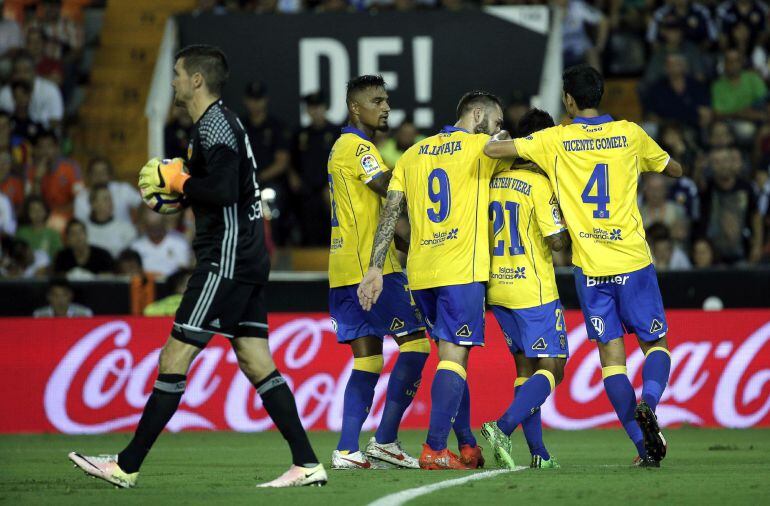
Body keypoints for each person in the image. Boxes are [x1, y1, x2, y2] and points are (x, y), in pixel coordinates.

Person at [68, 44, 325, 489]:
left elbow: (223, 189)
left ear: (197, 81)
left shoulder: (215, 127)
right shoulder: (215, 124)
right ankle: (307, 463)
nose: (172, 82)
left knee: (174, 355)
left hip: (225, 258)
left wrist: (177, 181)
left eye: (177, 74)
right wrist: (184, 190)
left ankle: (126, 465)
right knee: (255, 359)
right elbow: (218, 188)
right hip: (244, 255)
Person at [484, 64, 684, 467]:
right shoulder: (630, 133)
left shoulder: (554, 139)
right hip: (633, 260)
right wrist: (649, 164)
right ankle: (650, 403)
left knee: (612, 361)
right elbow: (674, 169)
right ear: (601, 95)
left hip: (590, 270)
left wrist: (506, 138)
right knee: (655, 345)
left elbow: (493, 151)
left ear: (568, 100)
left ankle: (642, 447)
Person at [358, 90, 507, 470]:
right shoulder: (480, 147)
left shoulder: (413, 154)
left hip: (421, 273)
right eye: (497, 121)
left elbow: (391, 211)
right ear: (477, 115)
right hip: (461, 269)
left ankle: (467, 443)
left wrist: (376, 267)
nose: (499, 128)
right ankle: (435, 449)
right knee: (456, 358)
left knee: (449, 360)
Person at [327, 76, 431, 471]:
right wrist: (422, 168)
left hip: (342, 268)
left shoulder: (344, 147)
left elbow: (375, 213)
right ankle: (385, 439)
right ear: (355, 108)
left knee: (368, 360)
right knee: (417, 345)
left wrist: (409, 246)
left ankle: (348, 449)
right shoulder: (357, 147)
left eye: (387, 99)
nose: (385, 107)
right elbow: (389, 187)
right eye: (376, 100)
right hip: (372, 269)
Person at [480, 109, 570, 470]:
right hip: (533, 289)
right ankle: (501, 427)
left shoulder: (494, 179)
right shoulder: (538, 184)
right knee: (554, 367)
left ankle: (540, 453)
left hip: (497, 290)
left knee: (525, 369)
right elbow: (557, 242)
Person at [290, 91, 338, 246]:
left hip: (329, 189)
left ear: (325, 108)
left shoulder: (336, 132)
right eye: (311, 107)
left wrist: (332, 186)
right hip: (305, 190)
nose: (315, 111)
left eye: (318, 106)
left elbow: (344, 163)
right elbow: (291, 160)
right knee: (305, 225)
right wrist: (293, 176)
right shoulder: (300, 133)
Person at [74, 157, 142, 224]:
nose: (99, 176)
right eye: (95, 173)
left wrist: (141, 224)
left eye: (103, 172)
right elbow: (79, 226)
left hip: (125, 234)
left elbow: (144, 206)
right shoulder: (81, 198)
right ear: (89, 176)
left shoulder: (123, 189)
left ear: (110, 175)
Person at [130, 209, 191, 277]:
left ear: (164, 224)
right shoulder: (136, 247)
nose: (154, 230)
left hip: (172, 284)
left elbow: (183, 269)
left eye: (157, 226)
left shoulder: (179, 243)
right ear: (146, 226)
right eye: (151, 227)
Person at [83, 184, 137, 258]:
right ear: (93, 204)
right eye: (105, 199)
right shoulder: (84, 231)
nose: (110, 202)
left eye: (110, 198)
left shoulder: (126, 229)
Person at [15, 195, 62, 261]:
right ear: (28, 213)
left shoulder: (53, 234)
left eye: (40, 209)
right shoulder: (21, 233)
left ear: (45, 211)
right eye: (33, 210)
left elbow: (58, 257)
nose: (37, 213)